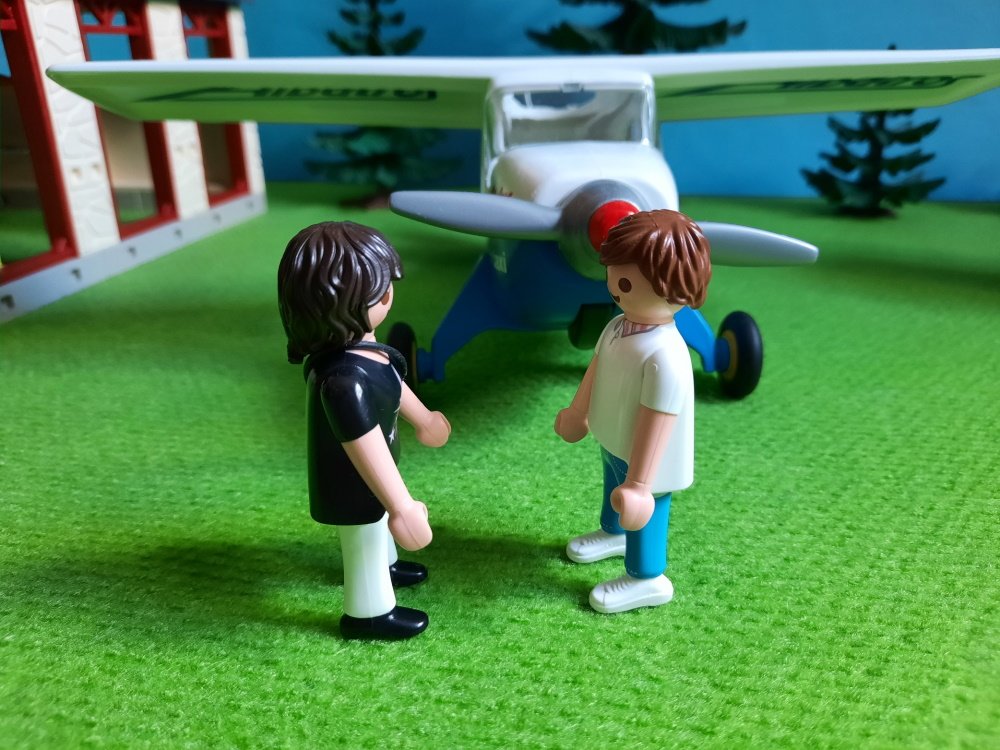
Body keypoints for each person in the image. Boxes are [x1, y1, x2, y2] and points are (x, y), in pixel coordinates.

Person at [277, 221, 450, 640]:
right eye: (380, 288)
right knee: (364, 543)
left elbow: (393, 383)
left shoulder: (368, 355)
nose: (390, 294)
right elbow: (363, 442)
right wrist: (402, 505)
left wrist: (425, 419)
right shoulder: (342, 380)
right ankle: (369, 613)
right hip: (352, 482)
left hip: (368, 478)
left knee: (375, 531)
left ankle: (388, 566)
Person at [554, 209, 712, 613]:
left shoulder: (666, 355)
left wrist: (641, 483)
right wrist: (578, 411)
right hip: (614, 436)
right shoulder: (616, 327)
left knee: (647, 512)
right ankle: (614, 532)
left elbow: (658, 417)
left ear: (674, 289)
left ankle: (648, 578)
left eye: (625, 282)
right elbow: (597, 367)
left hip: (649, 461)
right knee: (613, 487)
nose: (615, 288)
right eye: (613, 277)